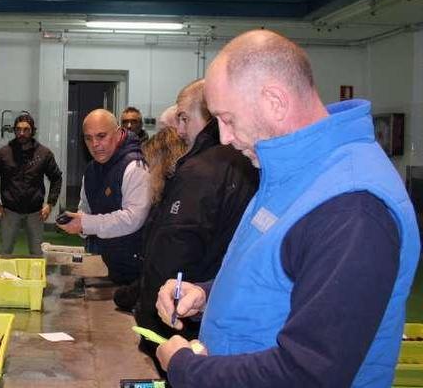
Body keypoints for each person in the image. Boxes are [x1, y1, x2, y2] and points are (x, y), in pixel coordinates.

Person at [155, 30, 420, 387]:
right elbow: (287, 276)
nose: (224, 139)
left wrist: (187, 369)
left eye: (228, 119)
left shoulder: (351, 207)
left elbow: (309, 373)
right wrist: (206, 293)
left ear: (275, 102)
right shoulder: (293, 174)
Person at [133, 79, 258, 371]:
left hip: (181, 316)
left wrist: (147, 308)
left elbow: (176, 247)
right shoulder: (239, 164)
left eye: (184, 119)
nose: (178, 130)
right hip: (206, 304)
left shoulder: (200, 171)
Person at [61, 109, 151, 285]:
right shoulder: (91, 170)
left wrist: (86, 223)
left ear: (118, 134)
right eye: (88, 138)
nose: (95, 144)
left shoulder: (135, 167)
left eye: (101, 136)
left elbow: (133, 219)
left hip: (137, 268)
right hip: (108, 260)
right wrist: (78, 223)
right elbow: (85, 207)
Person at [112, 126, 186, 313]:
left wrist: (132, 294)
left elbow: (165, 261)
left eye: (150, 166)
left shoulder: (175, 200)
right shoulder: (167, 197)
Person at [0, 113, 62, 256]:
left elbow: (56, 177)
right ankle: (3, 277)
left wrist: (50, 203)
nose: (22, 133)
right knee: (5, 252)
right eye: (18, 129)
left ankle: (36, 278)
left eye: (26, 129)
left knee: (37, 254)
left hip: (36, 212)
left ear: (33, 131)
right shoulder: (3, 154)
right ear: (14, 130)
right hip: (10, 211)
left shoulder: (44, 154)